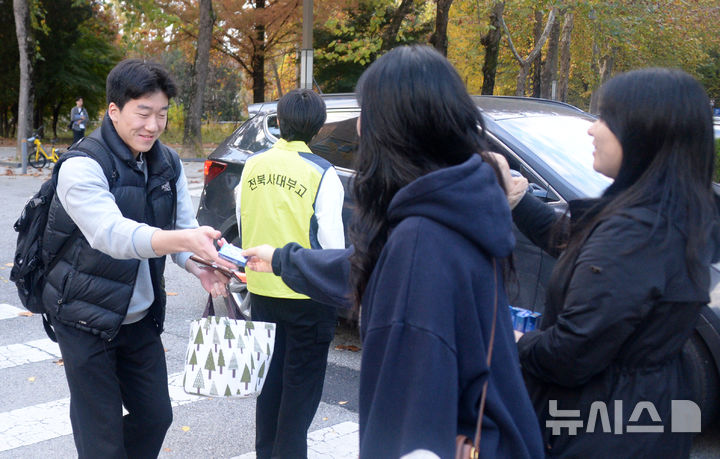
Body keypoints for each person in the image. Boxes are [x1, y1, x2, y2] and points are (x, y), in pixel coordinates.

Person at [243, 45, 544, 458]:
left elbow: (409, 423)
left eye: (368, 112)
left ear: (393, 127)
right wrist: (281, 259)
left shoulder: (421, 243)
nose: (361, 125)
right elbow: (370, 267)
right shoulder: (452, 207)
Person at [501, 68, 720, 457]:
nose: (592, 130)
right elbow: (581, 246)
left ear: (644, 134)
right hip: (648, 414)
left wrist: (507, 337)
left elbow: (569, 355)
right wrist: (519, 200)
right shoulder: (672, 213)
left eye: (604, 118)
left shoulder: (637, 233)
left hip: (605, 431)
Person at [46, 59, 233, 458]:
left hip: (139, 317)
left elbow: (182, 225)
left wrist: (200, 264)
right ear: (114, 110)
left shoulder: (167, 163)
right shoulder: (82, 165)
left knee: (155, 416)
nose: (153, 125)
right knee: (103, 437)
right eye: (143, 113)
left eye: (162, 114)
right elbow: (110, 234)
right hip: (84, 316)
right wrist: (184, 238)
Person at [234, 88, 345, 458]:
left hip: (263, 293)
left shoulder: (252, 165)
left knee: (270, 392)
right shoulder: (323, 174)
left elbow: (242, 220)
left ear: (278, 122)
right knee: (298, 403)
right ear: (320, 128)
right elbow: (332, 248)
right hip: (308, 297)